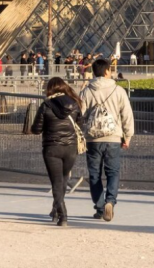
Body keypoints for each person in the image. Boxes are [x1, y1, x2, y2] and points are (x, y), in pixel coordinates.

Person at [80, 58, 135, 222]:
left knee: (94, 174)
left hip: (93, 139)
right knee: (113, 172)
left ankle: (100, 206)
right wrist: (128, 136)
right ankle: (110, 201)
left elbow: (80, 115)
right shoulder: (118, 90)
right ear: (106, 71)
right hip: (113, 137)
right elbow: (127, 115)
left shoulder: (87, 91)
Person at [31, 77, 84, 227]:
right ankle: (56, 209)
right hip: (71, 148)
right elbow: (80, 125)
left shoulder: (46, 105)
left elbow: (36, 129)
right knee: (63, 178)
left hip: (52, 148)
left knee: (56, 182)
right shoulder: (75, 103)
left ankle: (63, 215)